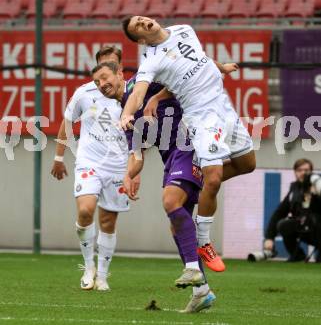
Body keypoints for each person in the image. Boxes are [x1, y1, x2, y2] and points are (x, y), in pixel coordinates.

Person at [120, 16, 256, 262]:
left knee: (247, 164)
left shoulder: (184, 29)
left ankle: (195, 178)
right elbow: (138, 91)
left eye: (142, 18)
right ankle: (204, 241)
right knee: (214, 179)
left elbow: (200, 61)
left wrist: (221, 67)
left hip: (223, 107)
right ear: (141, 40)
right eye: (138, 26)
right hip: (199, 116)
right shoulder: (150, 60)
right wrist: (127, 112)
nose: (143, 22)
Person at [92, 57, 217, 313]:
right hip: (170, 158)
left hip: (188, 142)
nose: (102, 84)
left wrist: (156, 97)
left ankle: (193, 267)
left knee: (170, 201)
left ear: (119, 74)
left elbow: (181, 79)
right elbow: (136, 155)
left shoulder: (142, 82)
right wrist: (129, 176)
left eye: (105, 77)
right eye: (96, 82)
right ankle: (201, 291)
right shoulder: (125, 116)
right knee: (176, 225)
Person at [51, 46, 140, 291]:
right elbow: (67, 123)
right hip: (89, 162)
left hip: (119, 167)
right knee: (86, 210)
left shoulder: (134, 94)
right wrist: (59, 158)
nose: (104, 76)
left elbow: (139, 138)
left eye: (111, 66)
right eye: (100, 69)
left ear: (120, 69)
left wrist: (133, 172)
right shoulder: (84, 93)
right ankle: (88, 266)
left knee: (108, 222)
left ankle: (102, 276)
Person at [264, 158, 321, 263]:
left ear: (311, 172)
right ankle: (298, 255)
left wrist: (317, 195)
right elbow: (279, 213)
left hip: (319, 228)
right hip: (304, 228)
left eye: (306, 170)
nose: (303, 173)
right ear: (295, 172)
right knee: (283, 224)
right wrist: (269, 237)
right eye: (299, 170)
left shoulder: (318, 184)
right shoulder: (294, 190)